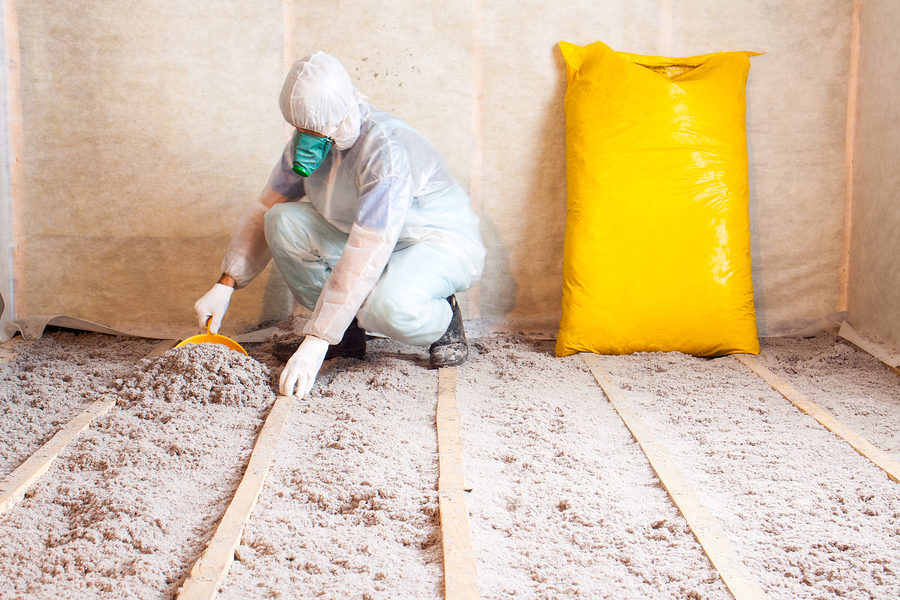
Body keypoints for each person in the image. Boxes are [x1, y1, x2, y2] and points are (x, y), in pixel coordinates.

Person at [194, 51, 485, 398]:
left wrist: (316, 339)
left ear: (338, 114)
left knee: (388, 309)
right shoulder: (309, 144)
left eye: (312, 129)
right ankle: (346, 336)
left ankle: (444, 321)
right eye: (298, 128)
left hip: (433, 243)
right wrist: (227, 282)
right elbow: (264, 206)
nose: (304, 138)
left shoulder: (385, 149)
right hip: (366, 239)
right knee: (281, 221)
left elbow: (368, 248)